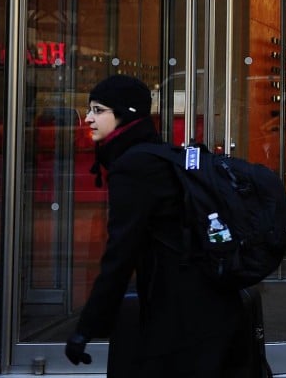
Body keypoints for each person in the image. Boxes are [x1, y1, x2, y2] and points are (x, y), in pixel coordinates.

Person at [64, 75, 246, 376]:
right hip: (205, 303)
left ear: (126, 113)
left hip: (183, 312)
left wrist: (87, 327)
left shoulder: (134, 167)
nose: (88, 118)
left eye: (98, 110)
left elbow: (121, 253)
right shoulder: (152, 153)